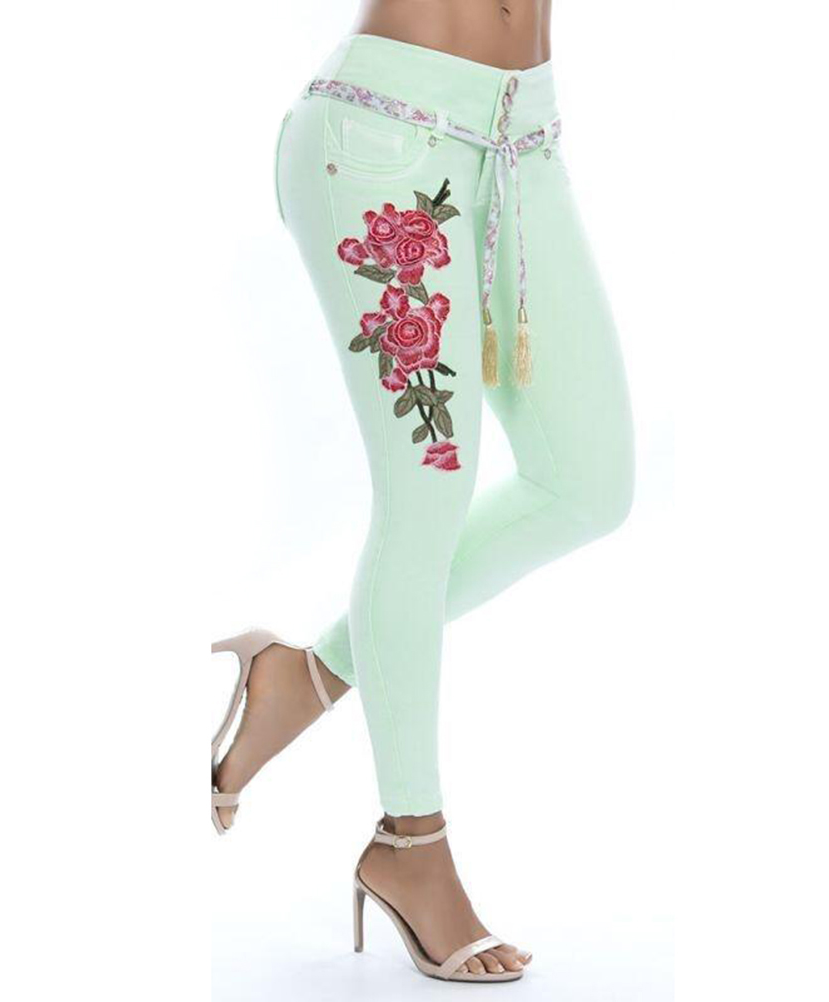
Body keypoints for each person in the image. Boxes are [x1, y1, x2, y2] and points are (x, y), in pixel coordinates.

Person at [211, 0, 633, 983]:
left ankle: (303, 676)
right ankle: (411, 844)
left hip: (525, 140)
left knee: (591, 481)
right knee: (427, 491)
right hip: (384, 136)